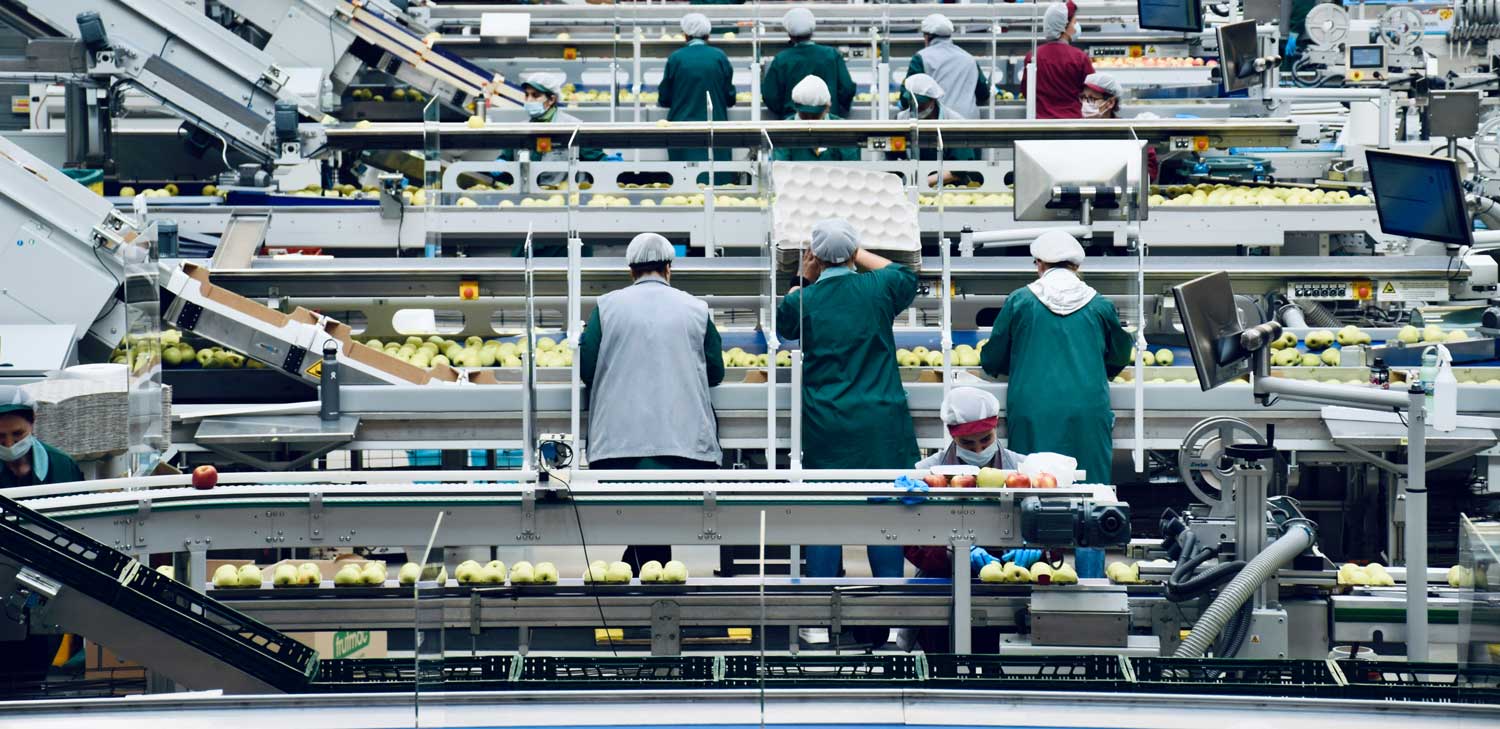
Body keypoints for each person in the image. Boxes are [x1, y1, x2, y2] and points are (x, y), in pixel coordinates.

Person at [776, 218, 918, 645]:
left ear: (813, 255)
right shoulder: (878, 289)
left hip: (828, 422)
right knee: (885, 517)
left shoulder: (805, 299)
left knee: (826, 515)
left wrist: (805, 274)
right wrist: (856, 253)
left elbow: (785, 328)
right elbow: (906, 273)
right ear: (855, 252)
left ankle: (820, 623)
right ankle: (892, 621)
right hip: (880, 421)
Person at [980, 231, 1131, 577]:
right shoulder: (1100, 304)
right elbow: (1120, 354)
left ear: (1039, 265)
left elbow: (992, 358)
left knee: (1030, 494)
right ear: (1077, 267)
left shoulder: (1020, 301)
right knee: (1093, 494)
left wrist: (1015, 363)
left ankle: (1033, 575)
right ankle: (1091, 581)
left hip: (1033, 408)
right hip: (1086, 410)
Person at [580, 233, 725, 572]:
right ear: (668, 268)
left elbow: (588, 370)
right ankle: (649, 594)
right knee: (654, 522)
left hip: (617, 449)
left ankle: (640, 592)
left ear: (631, 270)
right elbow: (715, 373)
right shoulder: (696, 308)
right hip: (685, 448)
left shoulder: (606, 307)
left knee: (645, 522)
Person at [659, 13, 737, 180]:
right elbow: (730, 97)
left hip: (682, 130)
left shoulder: (676, 58)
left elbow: (664, 98)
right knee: (717, 182)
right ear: (708, 34)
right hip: (715, 128)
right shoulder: (719, 57)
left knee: (684, 183)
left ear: (685, 35)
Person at [502, 72, 607, 189]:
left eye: (535, 95)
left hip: (566, 200)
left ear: (551, 99)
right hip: (529, 199)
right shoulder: (519, 130)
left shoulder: (573, 127)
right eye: (527, 95)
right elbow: (506, 162)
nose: (529, 100)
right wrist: (497, 167)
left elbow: (597, 160)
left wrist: (610, 163)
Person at [762, 8, 856, 120]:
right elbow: (847, 89)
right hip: (829, 123)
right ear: (812, 32)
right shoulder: (831, 55)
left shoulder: (782, 59)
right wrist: (834, 109)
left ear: (790, 35)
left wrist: (786, 111)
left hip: (791, 125)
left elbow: (770, 96)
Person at [893, 74, 978, 187]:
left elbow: (960, 168)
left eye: (921, 105)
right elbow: (893, 161)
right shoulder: (901, 120)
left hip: (949, 187)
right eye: (913, 104)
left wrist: (923, 182)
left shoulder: (954, 122)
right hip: (910, 186)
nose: (916, 108)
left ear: (932, 100)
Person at [902, 13, 990, 120]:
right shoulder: (969, 58)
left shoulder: (921, 58)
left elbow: (909, 96)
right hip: (969, 123)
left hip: (940, 121)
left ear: (927, 37)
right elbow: (983, 94)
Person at [1021, 3, 1094, 119]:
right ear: (1064, 27)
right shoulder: (1079, 57)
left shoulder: (1033, 56)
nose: (1075, 27)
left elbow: (1026, 92)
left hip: (1041, 124)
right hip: (1073, 123)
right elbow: (1092, 93)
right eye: (1074, 23)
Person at [0, 386, 83, 488]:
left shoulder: (62, 465)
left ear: (33, 421)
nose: (9, 444)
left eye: (18, 433)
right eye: (0, 436)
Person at [1080, 73, 1158, 180]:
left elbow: (1149, 169)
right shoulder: (1077, 131)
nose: (1086, 103)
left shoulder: (1127, 131)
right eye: (1083, 98)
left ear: (1110, 103)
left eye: (1092, 99)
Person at [772, 76, 860, 162]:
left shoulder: (842, 129)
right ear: (795, 108)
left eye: (815, 115)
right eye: (805, 115)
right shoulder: (784, 131)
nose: (810, 120)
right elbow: (780, 168)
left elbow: (852, 166)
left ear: (828, 107)